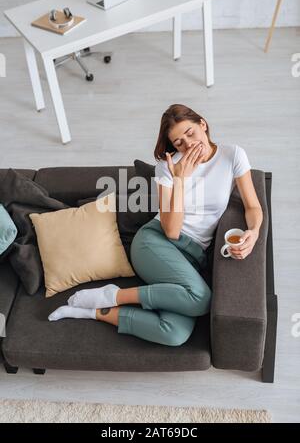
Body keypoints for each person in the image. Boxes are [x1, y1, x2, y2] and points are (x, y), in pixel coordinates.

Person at [48, 104, 263, 347]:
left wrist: (253, 232)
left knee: (174, 333)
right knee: (201, 299)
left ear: (203, 124)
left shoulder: (232, 155)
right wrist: (180, 180)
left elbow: (252, 207)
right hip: (155, 242)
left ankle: (92, 312)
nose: (188, 144)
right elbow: (171, 231)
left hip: (191, 256)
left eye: (190, 133)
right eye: (179, 142)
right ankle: (113, 295)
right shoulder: (168, 167)